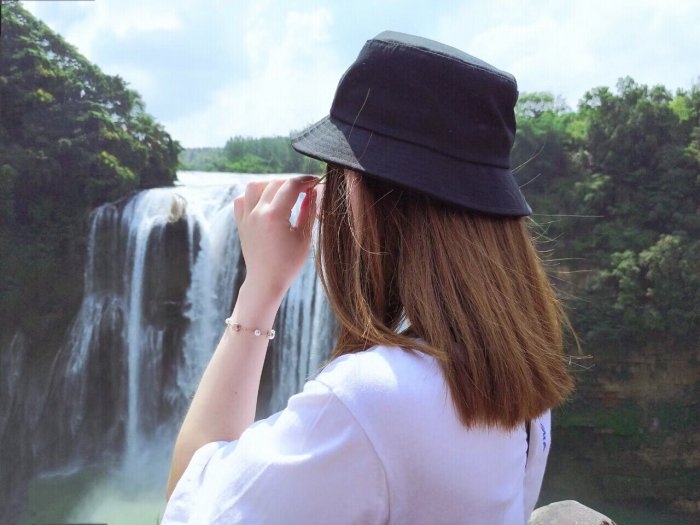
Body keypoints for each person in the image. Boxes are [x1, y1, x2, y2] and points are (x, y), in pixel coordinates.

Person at [163, 31, 574, 524]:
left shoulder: (369, 402)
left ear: (363, 191)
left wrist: (260, 290)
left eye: (339, 172)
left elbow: (188, 500)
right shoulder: (518, 376)